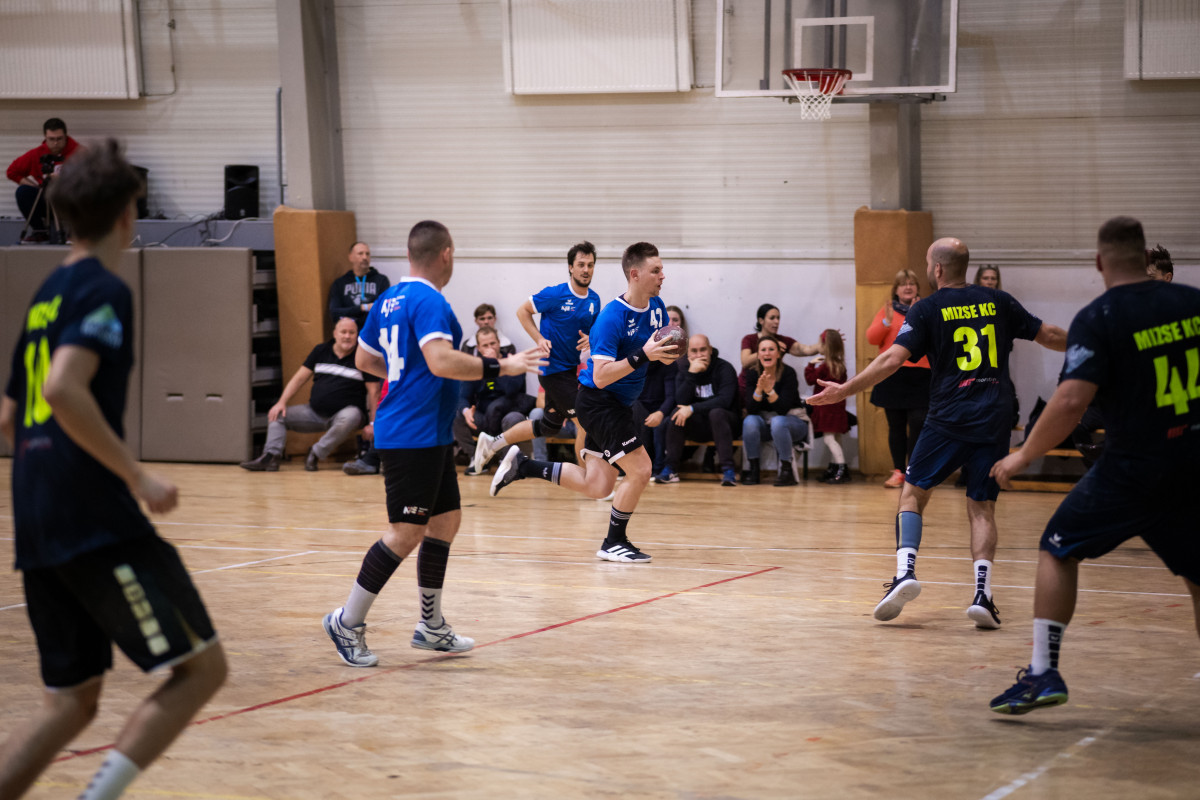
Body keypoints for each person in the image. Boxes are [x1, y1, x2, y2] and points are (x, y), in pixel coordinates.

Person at [0, 139, 227, 800]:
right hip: (91, 514)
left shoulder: (47, 292)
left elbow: (9, 416)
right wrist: (137, 475)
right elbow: (62, 389)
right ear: (129, 215)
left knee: (71, 702)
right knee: (202, 669)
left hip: (35, 513)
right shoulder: (103, 289)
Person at [987, 217, 1200, 714]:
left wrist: (1023, 454)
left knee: (1057, 548)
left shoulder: (1100, 315)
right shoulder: (1192, 303)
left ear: (1100, 261)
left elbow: (1069, 402)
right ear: (1145, 257)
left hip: (1132, 467)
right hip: (1192, 462)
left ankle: (1043, 673)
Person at [809, 237, 1067, 629]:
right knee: (982, 505)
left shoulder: (927, 308)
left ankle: (905, 573)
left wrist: (845, 390)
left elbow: (892, 358)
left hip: (949, 414)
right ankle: (982, 595)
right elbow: (1048, 334)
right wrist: (1099, 348)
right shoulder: (999, 301)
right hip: (994, 414)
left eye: (929, 263)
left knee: (913, 492)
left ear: (938, 269)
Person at [321, 220, 543, 667]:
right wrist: (503, 366)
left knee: (445, 521)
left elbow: (365, 358)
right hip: (411, 434)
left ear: (409, 255)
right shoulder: (430, 301)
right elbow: (440, 360)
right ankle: (347, 620)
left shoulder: (387, 299)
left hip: (428, 431)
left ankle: (430, 626)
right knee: (405, 532)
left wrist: (405, 377)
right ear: (446, 254)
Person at [487, 241, 680, 563]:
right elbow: (601, 376)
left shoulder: (657, 307)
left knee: (598, 485)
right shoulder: (611, 317)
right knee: (642, 470)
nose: (663, 275)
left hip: (616, 404)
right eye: (656, 270)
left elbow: (656, 353)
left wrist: (669, 353)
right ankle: (613, 542)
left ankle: (524, 466)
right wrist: (643, 355)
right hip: (600, 402)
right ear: (635, 274)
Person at [470, 241, 600, 474]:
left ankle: (493, 443)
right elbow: (523, 311)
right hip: (552, 371)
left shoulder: (594, 300)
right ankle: (589, 479)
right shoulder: (555, 294)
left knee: (549, 426)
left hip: (570, 371)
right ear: (570, 267)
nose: (586, 269)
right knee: (585, 422)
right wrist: (539, 338)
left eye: (590, 265)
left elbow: (594, 331)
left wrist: (592, 338)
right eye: (581, 264)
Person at [240, 316, 380, 472]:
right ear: (335, 333)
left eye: (352, 333)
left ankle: (315, 453)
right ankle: (270, 457)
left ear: (357, 335)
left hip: (346, 415)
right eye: (343, 332)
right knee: (276, 415)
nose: (347, 336)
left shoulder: (361, 357)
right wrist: (281, 402)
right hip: (314, 412)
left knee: (352, 415)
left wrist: (373, 424)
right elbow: (299, 379)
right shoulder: (321, 351)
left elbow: (374, 391)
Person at [865, 270, 932, 488]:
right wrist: (886, 321)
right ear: (896, 289)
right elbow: (872, 338)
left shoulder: (925, 309)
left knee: (918, 422)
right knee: (896, 426)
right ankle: (898, 472)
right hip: (892, 375)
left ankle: (913, 471)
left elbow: (932, 339)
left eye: (912, 283)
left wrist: (917, 317)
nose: (908, 287)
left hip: (921, 374)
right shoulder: (888, 311)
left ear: (917, 288)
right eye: (903, 284)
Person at [657, 334, 740, 486]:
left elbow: (725, 401)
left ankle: (728, 471)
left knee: (716, 413)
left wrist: (693, 408)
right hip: (699, 425)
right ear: (688, 353)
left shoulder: (724, 368)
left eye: (703, 350)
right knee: (677, 413)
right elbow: (680, 401)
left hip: (726, 424)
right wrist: (692, 375)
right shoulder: (684, 369)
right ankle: (670, 469)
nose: (699, 355)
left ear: (710, 350)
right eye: (694, 351)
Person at [454, 326, 535, 476]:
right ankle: (478, 459)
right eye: (485, 345)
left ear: (499, 343)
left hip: (508, 412)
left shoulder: (513, 362)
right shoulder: (475, 367)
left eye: (493, 343)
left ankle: (506, 460)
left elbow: (511, 390)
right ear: (479, 348)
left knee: (513, 418)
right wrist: (466, 411)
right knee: (456, 414)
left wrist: (496, 365)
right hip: (485, 418)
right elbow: (463, 396)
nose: (490, 348)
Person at [741, 335, 808, 486]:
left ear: (778, 354)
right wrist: (759, 389)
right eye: (763, 350)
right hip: (767, 424)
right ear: (758, 355)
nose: (767, 353)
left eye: (771, 349)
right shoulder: (752, 374)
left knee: (778, 421)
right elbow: (751, 409)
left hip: (793, 423)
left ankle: (786, 471)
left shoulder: (788, 373)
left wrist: (769, 391)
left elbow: (782, 409)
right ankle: (753, 470)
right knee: (750, 421)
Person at [7, 117, 82, 241]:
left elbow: (94, 179)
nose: (55, 143)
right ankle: (39, 231)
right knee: (23, 192)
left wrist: (65, 179)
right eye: (51, 139)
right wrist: (35, 186)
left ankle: (76, 233)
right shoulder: (37, 154)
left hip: (71, 202)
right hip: (47, 201)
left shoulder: (79, 152)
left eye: (59, 139)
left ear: (65, 136)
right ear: (45, 137)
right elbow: (12, 171)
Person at [805, 329, 852, 484]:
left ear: (826, 346)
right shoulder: (840, 366)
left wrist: (810, 365)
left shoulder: (825, 367)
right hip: (837, 409)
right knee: (836, 437)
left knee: (829, 439)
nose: (818, 346)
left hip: (826, 409)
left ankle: (841, 469)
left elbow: (810, 379)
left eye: (820, 343)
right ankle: (834, 468)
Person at [738, 304, 823, 375]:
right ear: (761, 320)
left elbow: (805, 350)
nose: (777, 321)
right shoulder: (749, 339)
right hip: (748, 386)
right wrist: (772, 347)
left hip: (773, 385)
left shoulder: (783, 340)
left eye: (778, 318)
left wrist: (823, 343)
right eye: (772, 318)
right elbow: (745, 362)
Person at [327, 241, 390, 329]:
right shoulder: (340, 283)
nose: (365, 257)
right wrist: (363, 308)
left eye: (367, 254)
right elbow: (335, 313)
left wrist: (350, 313)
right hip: (349, 332)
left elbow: (384, 309)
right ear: (350, 257)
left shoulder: (381, 281)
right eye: (360, 254)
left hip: (372, 330)